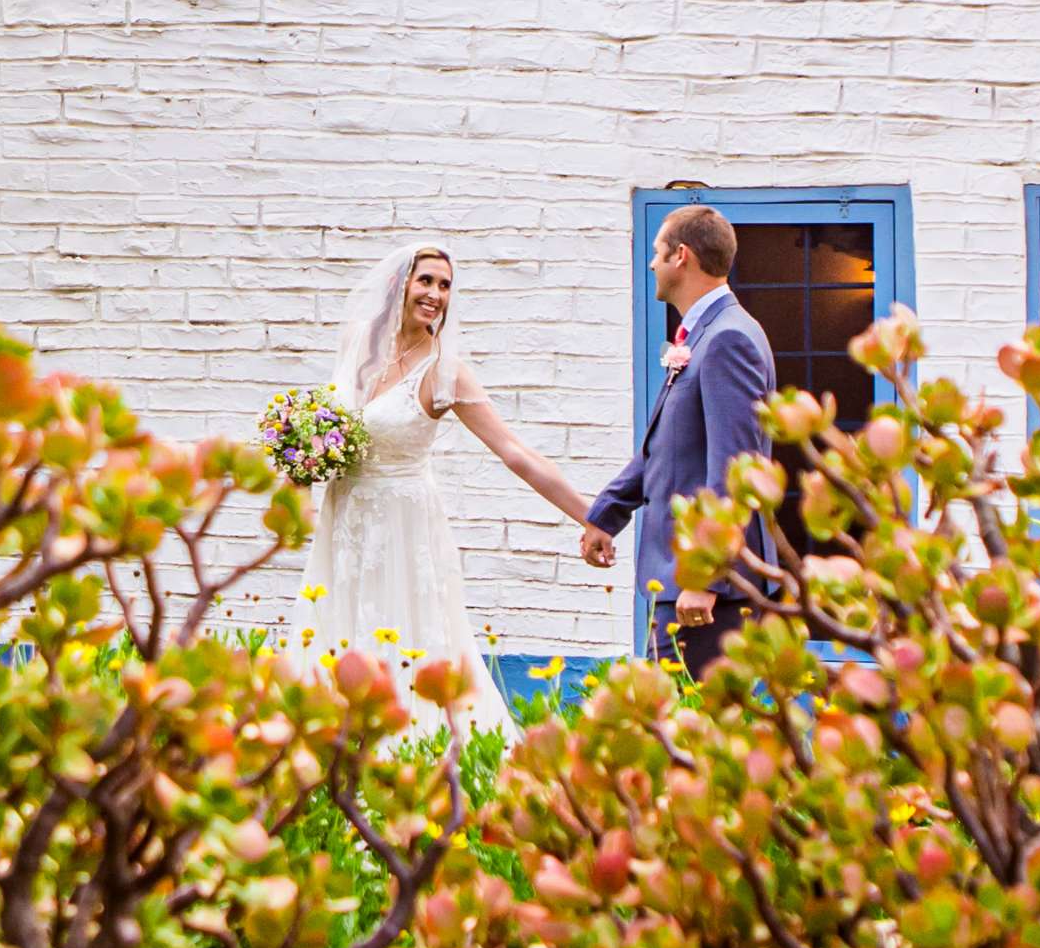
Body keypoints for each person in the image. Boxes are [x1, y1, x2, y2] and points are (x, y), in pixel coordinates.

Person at [292, 243, 599, 740]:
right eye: (427, 281)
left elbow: (514, 451)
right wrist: (299, 455)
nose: (435, 294)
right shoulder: (358, 344)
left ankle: (409, 749)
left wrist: (591, 516)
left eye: (445, 285)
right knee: (336, 627)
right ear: (400, 285)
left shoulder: (444, 370)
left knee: (403, 635)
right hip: (345, 519)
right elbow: (327, 428)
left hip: (402, 524)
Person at [579, 205, 776, 679]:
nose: (651, 264)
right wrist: (606, 514)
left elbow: (736, 468)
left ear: (680, 256)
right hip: (677, 581)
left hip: (706, 595)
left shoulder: (730, 339)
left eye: (656, 252)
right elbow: (667, 446)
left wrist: (707, 577)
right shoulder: (704, 336)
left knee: (690, 737)